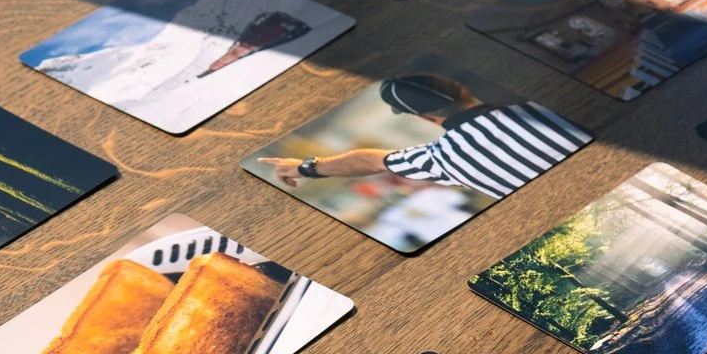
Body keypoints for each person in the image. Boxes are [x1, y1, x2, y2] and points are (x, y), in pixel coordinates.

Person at [252, 73, 589, 202]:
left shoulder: (443, 158)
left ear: (425, 118)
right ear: (463, 88)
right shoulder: (543, 107)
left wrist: (303, 168)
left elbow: (370, 159)